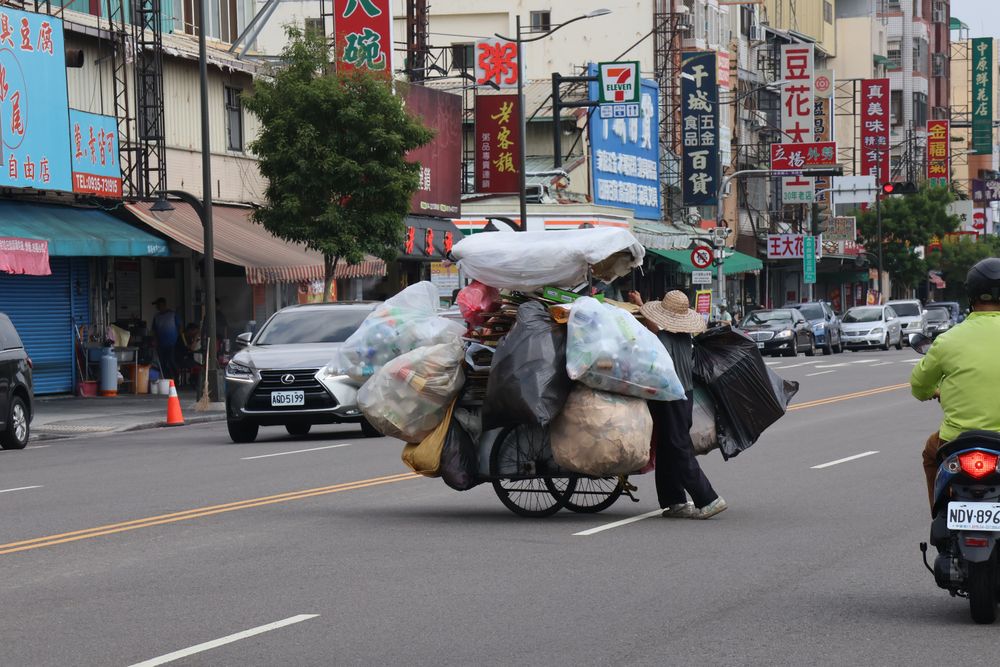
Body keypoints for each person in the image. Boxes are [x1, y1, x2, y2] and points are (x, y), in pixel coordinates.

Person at [628, 289, 728, 520]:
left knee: (677, 447)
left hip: (672, 398)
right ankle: (675, 501)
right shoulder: (683, 337)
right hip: (682, 396)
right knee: (666, 447)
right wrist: (641, 303)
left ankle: (709, 498)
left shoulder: (663, 340)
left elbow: (652, 333)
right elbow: (656, 328)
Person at [911, 258, 1000, 510]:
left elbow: (919, 385)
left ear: (970, 295)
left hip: (956, 442)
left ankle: (939, 515)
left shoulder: (948, 340)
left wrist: (933, 391)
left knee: (931, 452)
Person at [151, 297, 181, 380]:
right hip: (161, 344)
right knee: (162, 363)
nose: (156, 307)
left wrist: (178, 338)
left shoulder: (172, 314)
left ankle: (177, 376)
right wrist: (155, 340)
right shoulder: (156, 317)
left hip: (173, 343)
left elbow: (179, 327)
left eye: (158, 305)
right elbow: (154, 330)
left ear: (163, 304)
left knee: (171, 360)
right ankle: (167, 379)